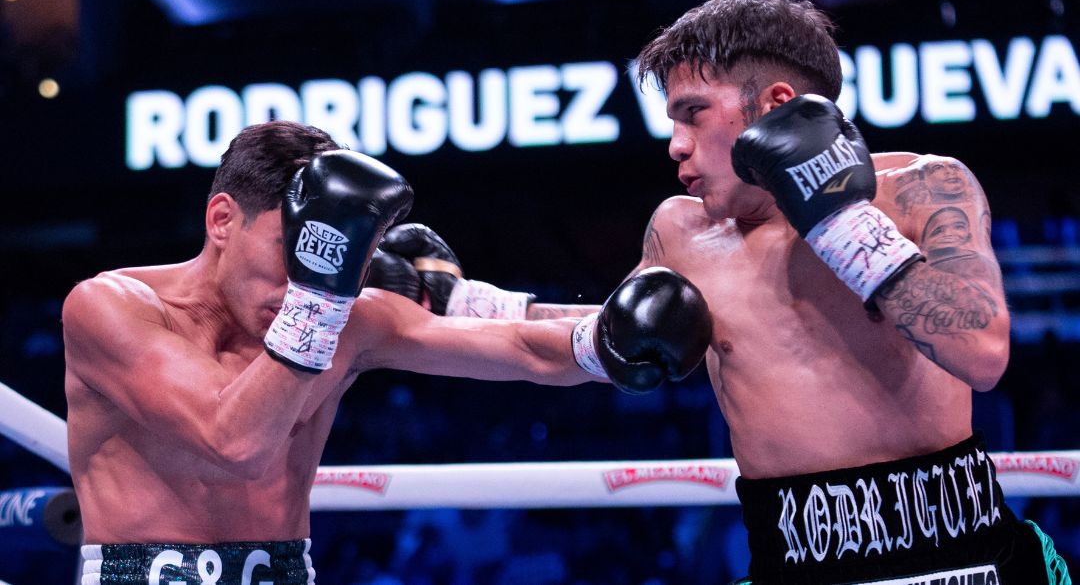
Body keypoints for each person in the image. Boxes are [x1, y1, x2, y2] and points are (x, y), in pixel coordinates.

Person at [380, 0, 1071, 584]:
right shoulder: (684, 234)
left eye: (692, 114)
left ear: (776, 106)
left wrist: (834, 218)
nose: (675, 144)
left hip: (967, 558)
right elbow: (602, 339)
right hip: (797, 564)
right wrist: (460, 305)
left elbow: (982, 351)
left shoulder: (924, 188)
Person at [62, 120, 712, 584]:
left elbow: (521, 343)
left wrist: (614, 335)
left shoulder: (344, 318)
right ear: (222, 220)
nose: (302, 282)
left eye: (326, 259)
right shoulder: (109, 308)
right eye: (295, 252)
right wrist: (324, 291)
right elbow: (233, 442)